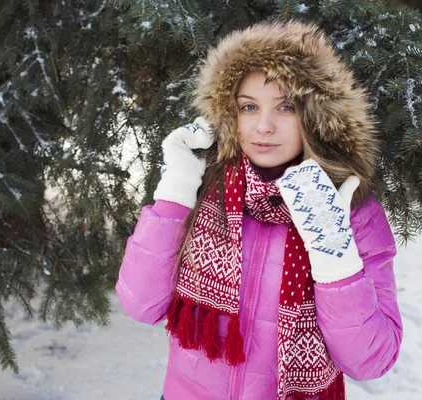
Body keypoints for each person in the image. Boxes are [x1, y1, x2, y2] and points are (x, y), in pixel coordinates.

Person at [116, 20, 402, 400]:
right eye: (249, 107)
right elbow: (140, 305)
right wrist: (175, 191)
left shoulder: (350, 211)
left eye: (285, 107)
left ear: (316, 116)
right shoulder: (205, 192)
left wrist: (335, 258)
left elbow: (371, 360)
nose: (264, 126)